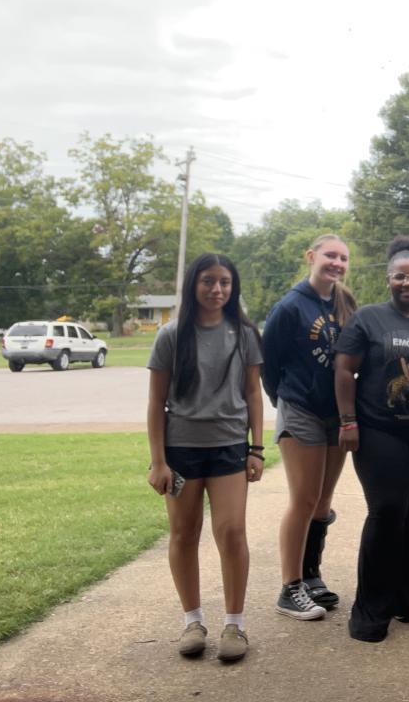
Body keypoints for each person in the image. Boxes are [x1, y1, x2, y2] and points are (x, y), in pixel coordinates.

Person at [146, 253, 265, 661]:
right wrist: (158, 461)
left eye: (225, 282)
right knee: (184, 534)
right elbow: (156, 402)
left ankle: (235, 625)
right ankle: (193, 622)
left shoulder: (244, 334)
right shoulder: (171, 335)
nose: (217, 289)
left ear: (233, 287)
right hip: (181, 450)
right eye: (208, 281)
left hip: (229, 447)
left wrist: (256, 448)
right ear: (193, 284)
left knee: (231, 532)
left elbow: (253, 393)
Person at [334, 237, 409, 642]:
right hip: (378, 429)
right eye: (400, 276)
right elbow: (344, 370)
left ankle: (403, 599)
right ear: (388, 279)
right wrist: (348, 421)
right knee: (386, 510)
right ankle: (369, 611)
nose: (407, 282)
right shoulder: (368, 319)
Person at [261, 234, 357, 621]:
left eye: (343, 258)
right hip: (301, 409)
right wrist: (285, 399)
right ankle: (290, 588)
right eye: (330, 255)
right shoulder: (290, 306)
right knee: (303, 499)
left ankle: (311, 576)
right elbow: (268, 364)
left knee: (321, 502)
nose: (336, 263)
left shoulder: (344, 302)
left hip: (336, 412)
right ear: (311, 257)